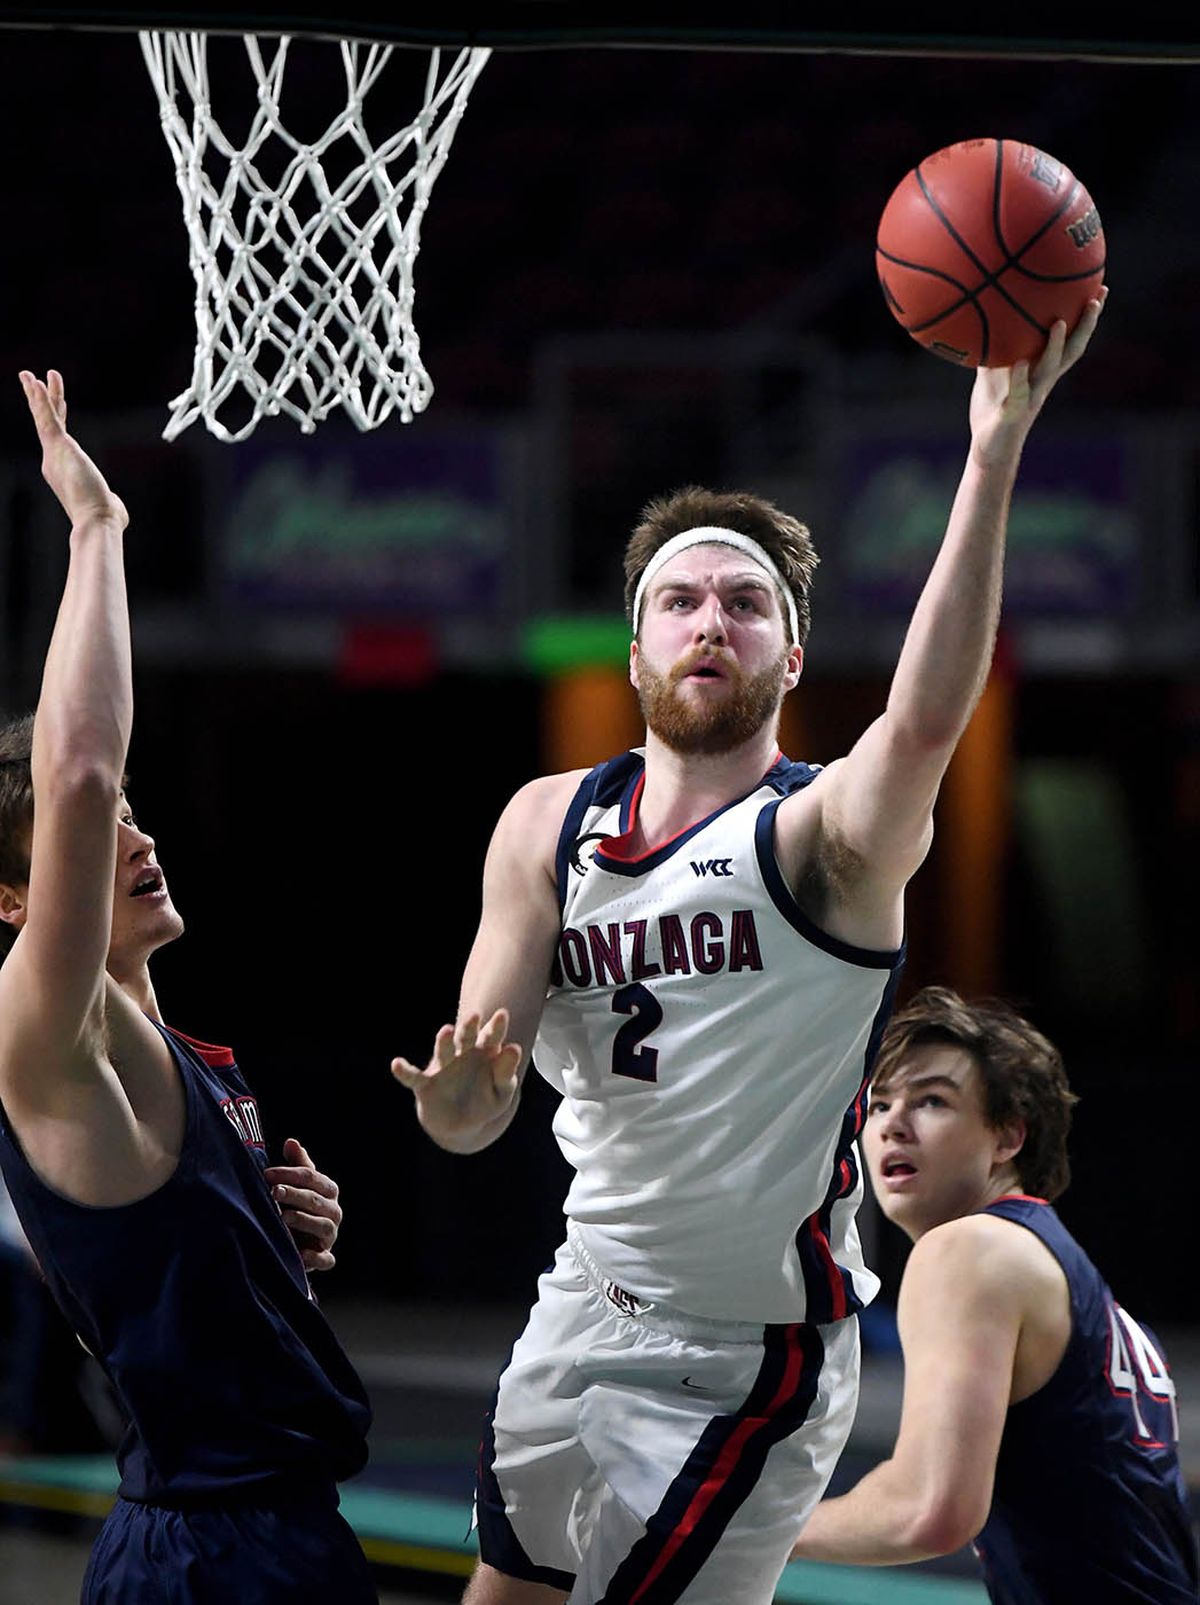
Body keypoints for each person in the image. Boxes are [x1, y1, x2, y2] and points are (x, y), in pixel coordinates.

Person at [391, 299, 1105, 1605]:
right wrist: (460, 1105)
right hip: (584, 1298)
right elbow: (478, 1102)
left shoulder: (823, 834)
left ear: (789, 651)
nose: (709, 620)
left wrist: (992, 451)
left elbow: (931, 713)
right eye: (679, 599)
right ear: (636, 642)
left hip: (751, 1352)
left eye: (743, 601)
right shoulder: (546, 823)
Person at [0, 371, 377, 1603]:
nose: (133, 832)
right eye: (105, 826)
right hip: (206, 1555)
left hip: (282, 1532)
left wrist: (276, 1248)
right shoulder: (42, 1034)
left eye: (139, 814)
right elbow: (77, 772)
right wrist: (98, 532)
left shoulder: (197, 1063)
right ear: (20, 901)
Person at [791, 985, 1199, 1602]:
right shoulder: (1055, 1264)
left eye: (931, 1100)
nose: (893, 1124)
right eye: (877, 1106)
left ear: (1008, 1137)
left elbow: (929, 1508)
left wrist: (760, 1530)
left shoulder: (968, 1250)